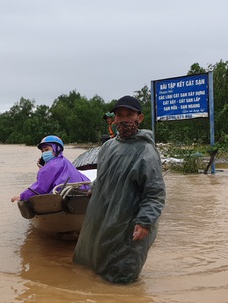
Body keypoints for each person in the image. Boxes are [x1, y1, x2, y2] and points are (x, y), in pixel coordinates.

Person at [73, 95, 166, 284]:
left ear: (139, 118)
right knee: (91, 266)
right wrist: (93, 189)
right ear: (114, 119)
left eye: (129, 114)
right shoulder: (108, 147)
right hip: (103, 219)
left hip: (128, 225)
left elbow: (155, 193)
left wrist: (144, 222)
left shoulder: (146, 152)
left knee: (121, 276)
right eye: (120, 115)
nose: (124, 119)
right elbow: (103, 177)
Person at [10, 135, 90, 203]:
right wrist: (42, 169)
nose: (44, 153)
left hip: (62, 198)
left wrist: (22, 196)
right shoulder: (65, 161)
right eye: (42, 151)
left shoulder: (52, 166)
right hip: (80, 195)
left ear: (56, 149)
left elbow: (40, 187)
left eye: (47, 149)